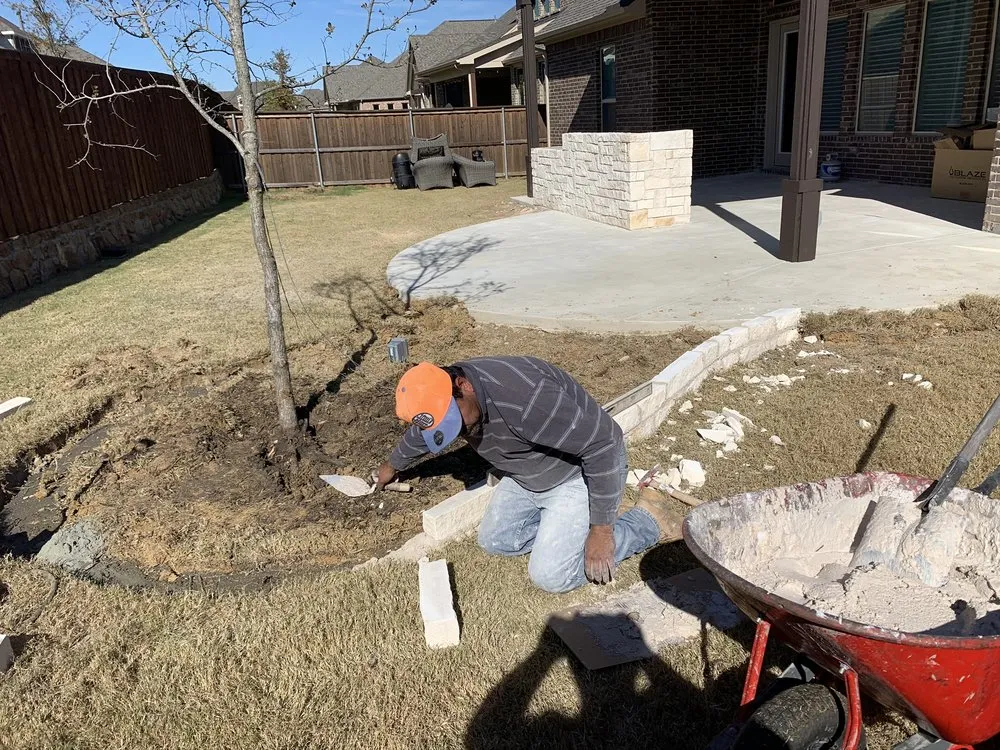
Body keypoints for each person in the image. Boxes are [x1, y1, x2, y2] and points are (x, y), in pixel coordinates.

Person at [375, 357, 682, 593]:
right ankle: (589, 517)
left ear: (463, 385)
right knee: (496, 541)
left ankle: (646, 522)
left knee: (551, 576)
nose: (458, 432)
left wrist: (600, 533)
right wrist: (391, 467)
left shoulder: (526, 399)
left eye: (455, 422)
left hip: (575, 476)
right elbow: (422, 435)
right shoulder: (446, 396)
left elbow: (604, 444)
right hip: (527, 475)